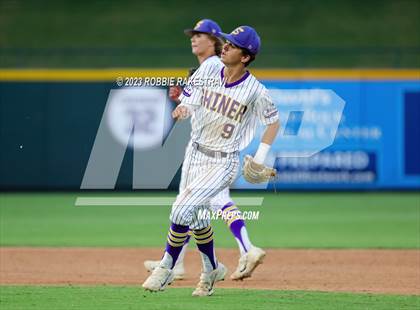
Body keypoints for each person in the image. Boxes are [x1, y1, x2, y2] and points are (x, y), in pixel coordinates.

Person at [142, 25, 280, 297]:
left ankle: (167, 265)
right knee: (195, 216)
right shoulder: (208, 68)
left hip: (223, 161)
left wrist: (260, 156)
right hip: (195, 153)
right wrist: (184, 107)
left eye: (233, 44)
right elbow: (191, 99)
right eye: (226, 41)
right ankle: (211, 269)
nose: (225, 45)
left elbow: (273, 122)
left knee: (181, 209)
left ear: (245, 57)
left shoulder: (255, 91)